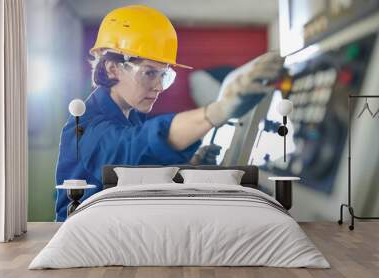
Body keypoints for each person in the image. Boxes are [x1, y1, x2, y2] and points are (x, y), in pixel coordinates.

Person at [55, 5, 284, 221]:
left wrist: (189, 166)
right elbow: (134, 146)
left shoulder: (131, 116)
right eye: (148, 73)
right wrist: (218, 110)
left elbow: (138, 173)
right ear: (113, 68)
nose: (158, 87)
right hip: (84, 239)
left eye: (164, 76)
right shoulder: (85, 127)